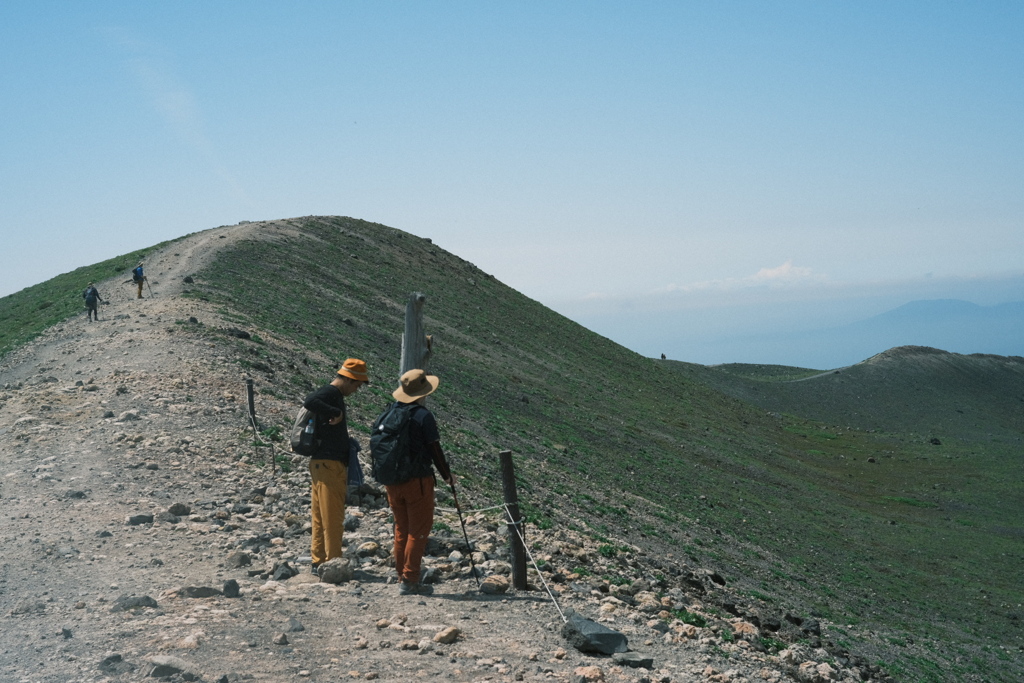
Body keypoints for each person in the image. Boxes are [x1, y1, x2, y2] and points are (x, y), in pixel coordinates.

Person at [384, 368, 454, 596]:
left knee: (401, 529)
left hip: (392, 480)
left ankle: (401, 575)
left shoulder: (390, 412)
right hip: (418, 481)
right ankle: (410, 579)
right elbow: (435, 449)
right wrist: (447, 475)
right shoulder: (423, 416)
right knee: (419, 530)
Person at [302, 358, 369, 575]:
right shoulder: (331, 393)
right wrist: (336, 412)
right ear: (349, 380)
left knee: (320, 516)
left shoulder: (332, 394)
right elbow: (310, 400)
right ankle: (333, 563)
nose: (357, 390)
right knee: (333, 517)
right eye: (357, 385)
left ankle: (319, 561)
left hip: (321, 463)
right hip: (330, 464)